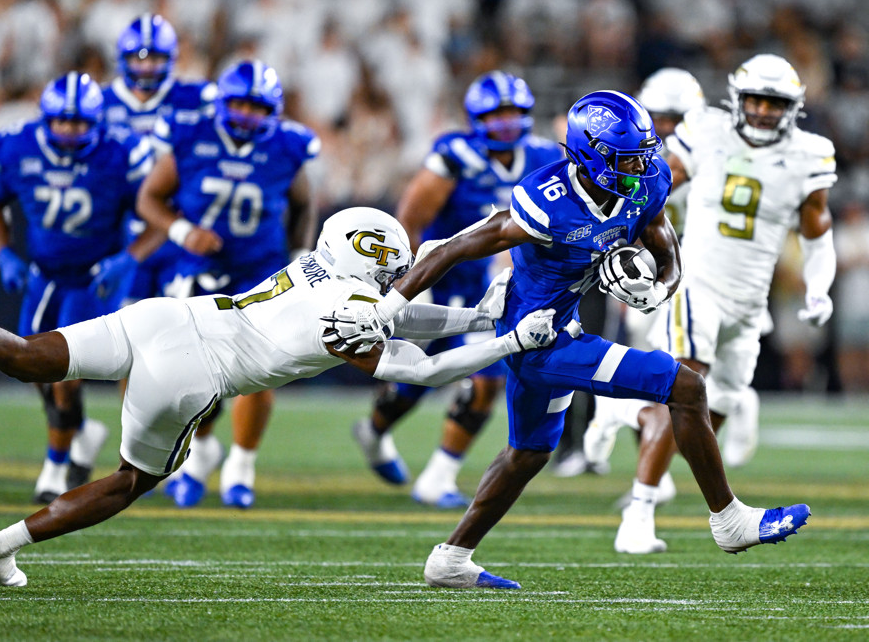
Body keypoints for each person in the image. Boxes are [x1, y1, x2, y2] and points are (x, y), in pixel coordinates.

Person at [0, 207, 559, 588]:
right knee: (130, 481)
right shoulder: (357, 303)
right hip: (197, 367)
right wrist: (508, 344)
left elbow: (399, 315)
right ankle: (0, 544)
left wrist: (474, 318)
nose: (402, 280)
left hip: (168, 315)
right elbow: (421, 371)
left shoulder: (315, 269)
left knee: (27, 355)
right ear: (377, 265)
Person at [336, 90, 811, 589]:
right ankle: (729, 520)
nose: (642, 167)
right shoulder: (548, 200)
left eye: (644, 155)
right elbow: (458, 246)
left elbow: (664, 245)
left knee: (529, 452)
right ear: (589, 154)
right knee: (686, 387)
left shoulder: (646, 183)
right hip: (534, 340)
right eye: (627, 159)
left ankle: (450, 558)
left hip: (564, 327)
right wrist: (388, 308)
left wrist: (655, 290)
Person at [583, 54, 837, 554]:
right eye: (755, 100)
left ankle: (624, 413)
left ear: (794, 107)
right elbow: (655, 182)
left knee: (714, 407)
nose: (763, 111)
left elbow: (816, 230)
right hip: (697, 284)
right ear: (737, 100)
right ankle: (639, 513)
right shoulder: (707, 131)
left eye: (775, 102)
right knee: (685, 386)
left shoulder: (811, 154)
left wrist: (818, 286)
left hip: (749, 299)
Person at [352, 70, 564, 508]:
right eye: (496, 114)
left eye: (514, 113)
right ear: (476, 118)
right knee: (414, 376)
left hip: (500, 286)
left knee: (486, 378)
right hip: (446, 279)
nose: (506, 123)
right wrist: (406, 279)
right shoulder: (455, 156)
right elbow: (409, 219)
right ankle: (373, 430)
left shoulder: (543, 155)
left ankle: (439, 475)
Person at [137, 59, 318, 509]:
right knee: (192, 367)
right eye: (238, 104)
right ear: (221, 103)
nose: (246, 115)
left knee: (261, 370)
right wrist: (182, 232)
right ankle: (198, 455)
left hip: (261, 269)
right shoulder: (190, 135)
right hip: (199, 266)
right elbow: (149, 197)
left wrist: (299, 256)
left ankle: (242, 464)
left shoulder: (288, 147)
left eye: (257, 107)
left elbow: (303, 205)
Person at [0, 71, 157, 503]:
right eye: (60, 121)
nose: (68, 130)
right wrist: (4, 250)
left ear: (96, 122)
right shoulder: (17, 145)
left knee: (61, 368)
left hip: (93, 278)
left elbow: (157, 212)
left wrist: (127, 259)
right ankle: (81, 432)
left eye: (79, 123)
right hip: (44, 276)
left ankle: (55, 468)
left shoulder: (121, 153)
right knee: (28, 365)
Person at [582, 67, 708, 514]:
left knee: (690, 380)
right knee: (655, 368)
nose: (670, 126)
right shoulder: (633, 155)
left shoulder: (701, 151)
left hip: (692, 272)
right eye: (661, 116)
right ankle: (647, 465)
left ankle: (614, 421)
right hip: (639, 268)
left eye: (678, 116)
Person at [101, 14, 217, 304]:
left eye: (155, 58)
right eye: (139, 58)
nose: (147, 67)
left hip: (180, 222)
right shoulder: (99, 104)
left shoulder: (197, 97)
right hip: (122, 227)